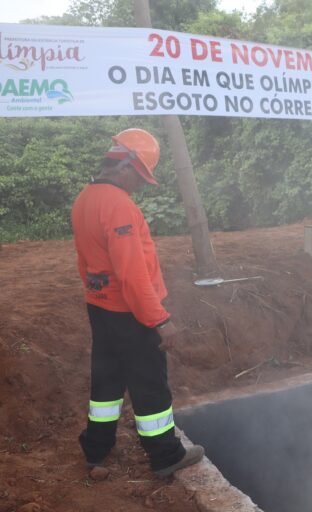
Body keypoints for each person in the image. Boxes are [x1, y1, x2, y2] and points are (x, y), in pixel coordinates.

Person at [71, 128, 204, 478]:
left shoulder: (85, 198)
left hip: (100, 307)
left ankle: (96, 449)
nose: (141, 185)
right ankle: (165, 456)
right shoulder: (119, 207)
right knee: (150, 386)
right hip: (131, 314)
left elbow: (85, 262)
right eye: (141, 177)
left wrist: (97, 295)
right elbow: (132, 274)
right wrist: (159, 319)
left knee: (106, 382)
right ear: (125, 167)